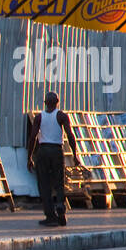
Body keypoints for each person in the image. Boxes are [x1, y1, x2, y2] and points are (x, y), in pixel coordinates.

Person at [27, 91, 81, 227]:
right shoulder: (61, 116)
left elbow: (33, 137)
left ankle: (50, 216)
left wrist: (29, 157)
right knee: (59, 182)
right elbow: (70, 136)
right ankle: (60, 207)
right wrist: (75, 155)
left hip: (43, 151)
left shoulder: (39, 117)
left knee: (44, 184)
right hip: (57, 151)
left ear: (45, 103)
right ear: (58, 103)